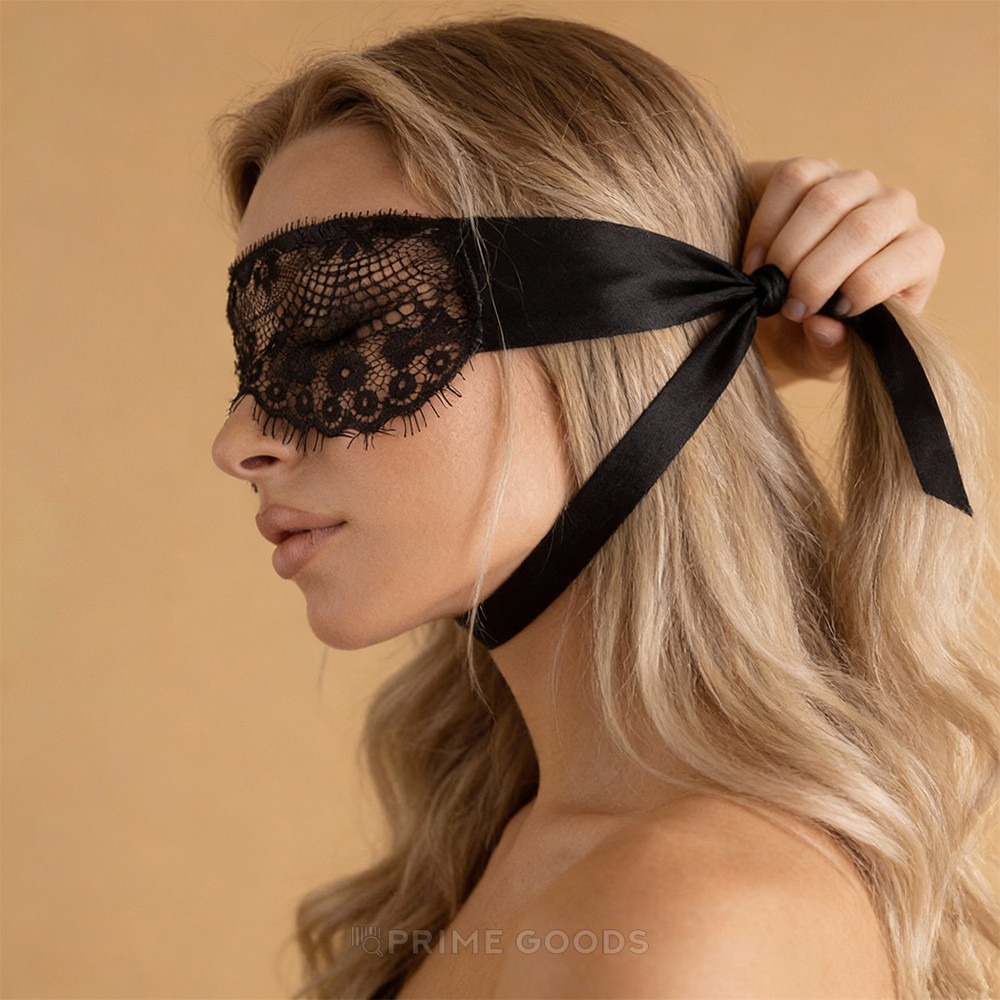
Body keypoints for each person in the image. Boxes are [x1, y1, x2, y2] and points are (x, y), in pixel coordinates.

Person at [210, 16, 998, 1000]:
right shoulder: (533, 843)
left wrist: (688, 304)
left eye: (344, 337)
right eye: (256, 353)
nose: (239, 441)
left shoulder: (686, 918)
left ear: (605, 322)